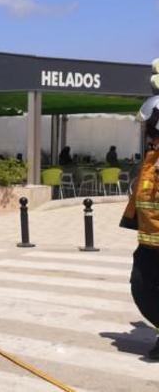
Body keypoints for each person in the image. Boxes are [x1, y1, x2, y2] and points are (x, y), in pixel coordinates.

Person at [120, 77, 159, 361]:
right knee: (143, 286)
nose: (146, 133)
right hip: (149, 243)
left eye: (150, 127)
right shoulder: (151, 157)